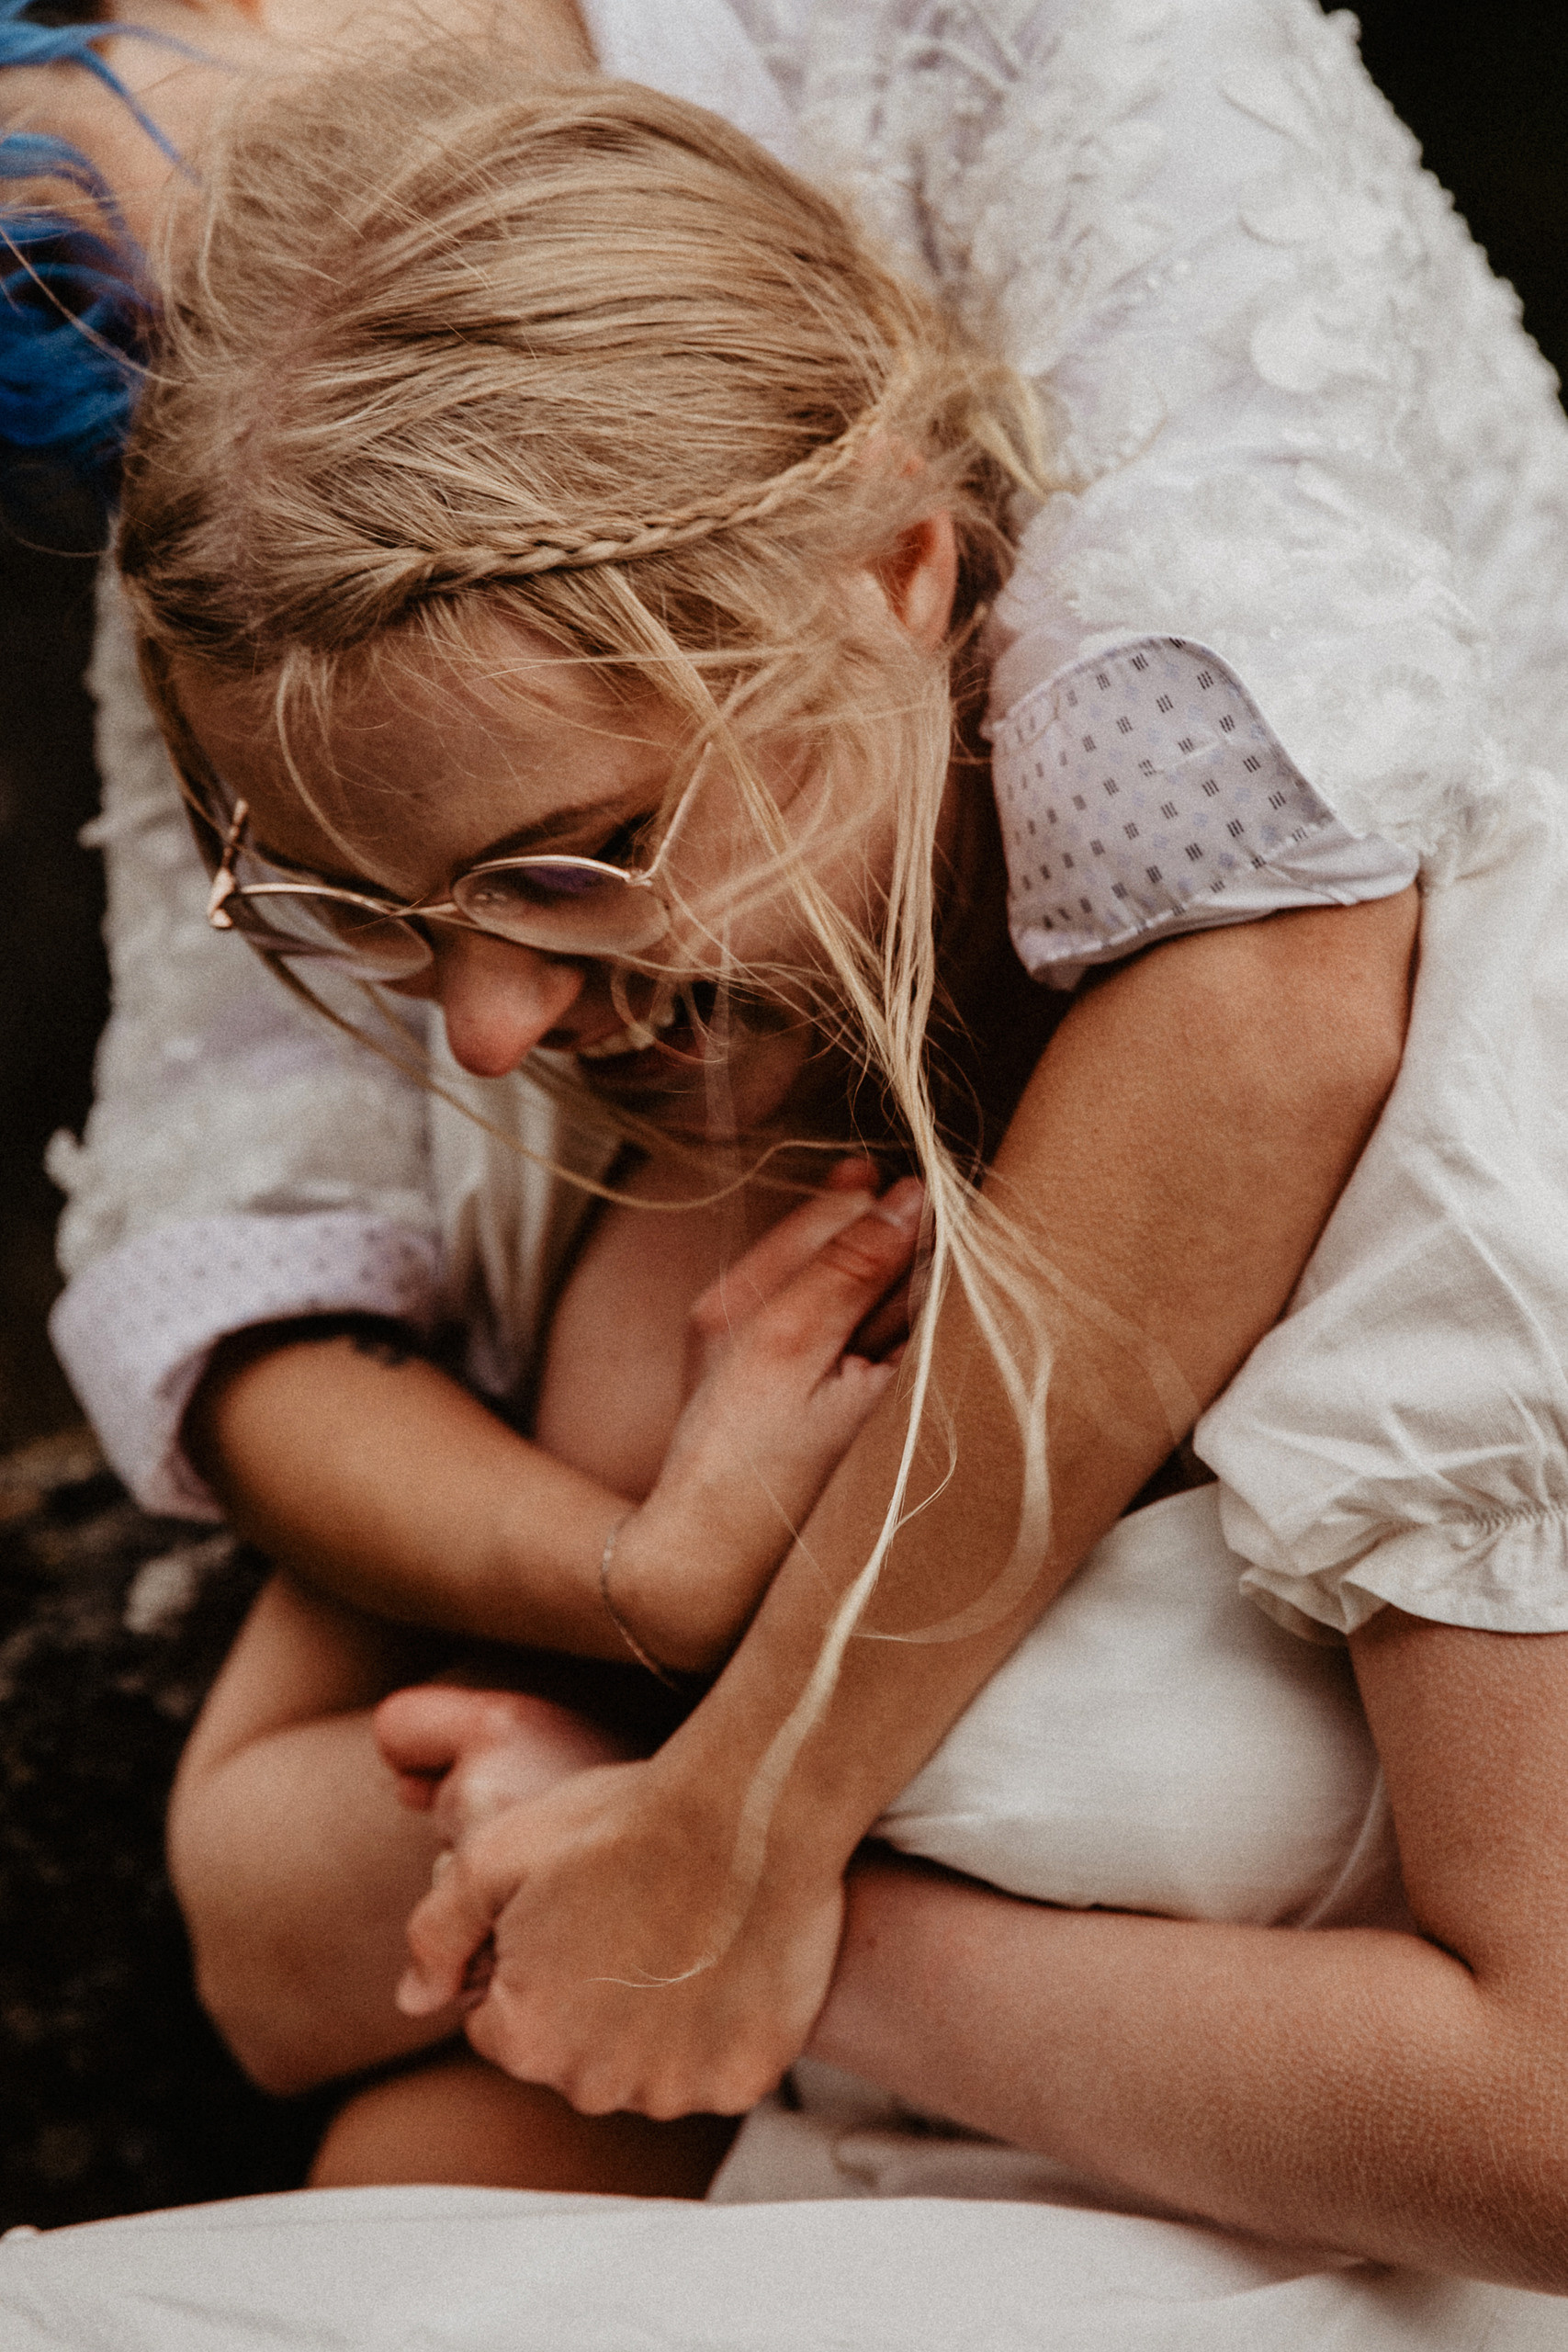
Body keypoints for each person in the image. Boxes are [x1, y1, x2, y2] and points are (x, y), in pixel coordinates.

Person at [8, 0, 1568, 2324]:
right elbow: (274, 1942)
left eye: (579, 854)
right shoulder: (645, 1109)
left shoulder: (1454, 1070)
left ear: (899, 573)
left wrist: (767, 1907)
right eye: (378, 914)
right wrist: (646, 1621)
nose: (483, 1026)